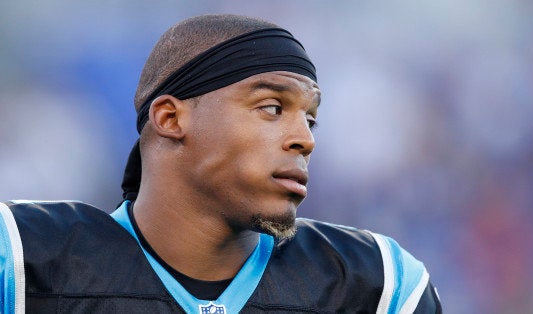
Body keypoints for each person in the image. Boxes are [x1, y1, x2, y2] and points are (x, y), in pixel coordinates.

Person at [0, 14, 442, 313]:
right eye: (272, 108)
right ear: (171, 118)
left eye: (310, 119)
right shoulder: (21, 260)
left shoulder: (374, 284)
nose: (305, 139)